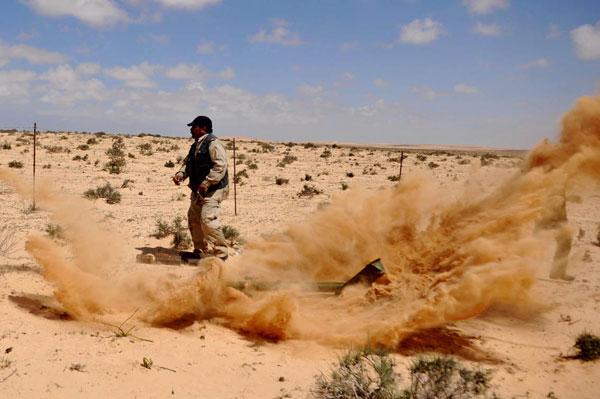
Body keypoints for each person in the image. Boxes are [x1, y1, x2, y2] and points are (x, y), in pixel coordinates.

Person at [172, 115, 230, 261]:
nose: (191, 130)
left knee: (207, 220)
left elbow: (220, 165)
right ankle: (200, 251)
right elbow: (188, 163)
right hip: (198, 190)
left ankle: (221, 254)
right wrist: (180, 174)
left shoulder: (213, 143)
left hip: (213, 190)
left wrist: (208, 182)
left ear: (203, 128)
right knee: (194, 219)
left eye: (194, 127)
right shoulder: (196, 145)